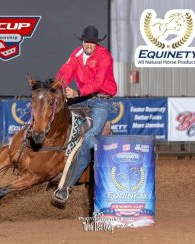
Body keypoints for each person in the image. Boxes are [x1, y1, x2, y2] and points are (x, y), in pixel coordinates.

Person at [54, 25, 117, 204]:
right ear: (82, 41)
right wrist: (63, 86)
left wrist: (76, 94)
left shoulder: (104, 57)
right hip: (83, 98)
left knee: (89, 140)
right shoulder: (76, 54)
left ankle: (66, 186)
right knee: (55, 112)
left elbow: (98, 84)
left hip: (101, 101)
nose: (89, 45)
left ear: (97, 43)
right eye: (87, 41)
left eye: (92, 42)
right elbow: (65, 72)